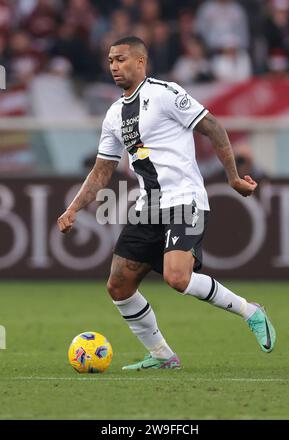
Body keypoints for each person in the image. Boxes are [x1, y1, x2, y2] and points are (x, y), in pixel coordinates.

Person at [57, 36, 276, 371]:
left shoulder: (165, 93)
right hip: (149, 206)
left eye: (121, 59)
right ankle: (161, 354)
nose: (114, 66)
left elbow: (213, 127)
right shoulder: (114, 114)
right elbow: (102, 172)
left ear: (141, 62)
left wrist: (232, 177)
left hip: (185, 199)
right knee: (119, 285)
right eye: (111, 60)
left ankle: (251, 311)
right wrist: (73, 208)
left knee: (177, 278)